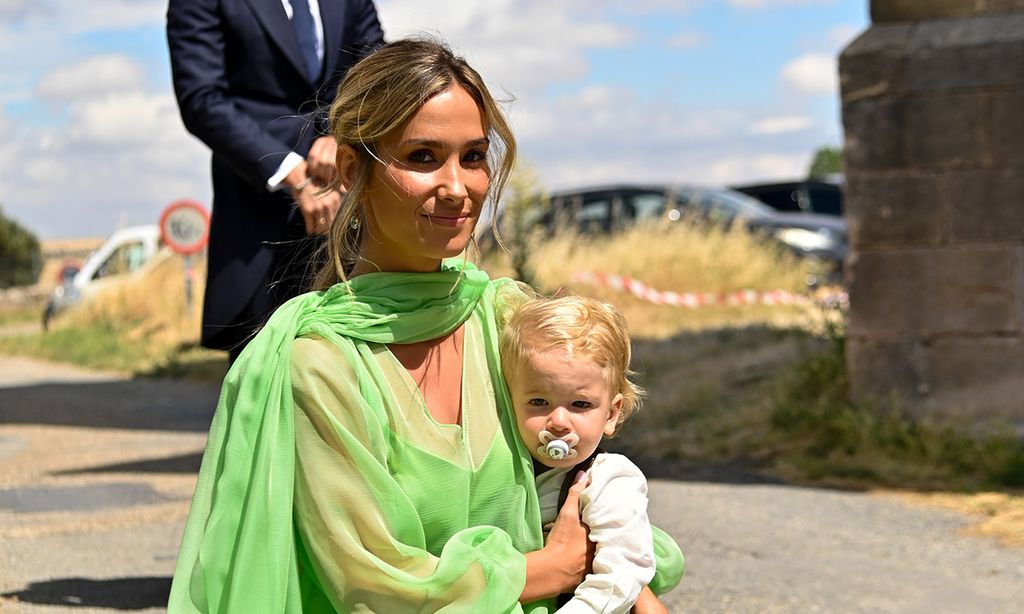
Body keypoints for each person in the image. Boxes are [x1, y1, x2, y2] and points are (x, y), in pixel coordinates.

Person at [168, 38, 682, 613]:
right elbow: (375, 585)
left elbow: (583, 501)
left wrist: (626, 579)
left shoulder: (507, 319)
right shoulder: (322, 362)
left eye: (472, 156)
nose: (458, 187)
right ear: (351, 169)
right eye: (421, 157)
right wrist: (550, 568)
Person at [166, 0, 385, 359]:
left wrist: (340, 136)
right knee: (263, 394)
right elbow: (202, 100)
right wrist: (293, 174)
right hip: (257, 235)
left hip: (352, 227)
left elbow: (377, 73)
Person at [501, 294, 682, 612]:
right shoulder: (504, 464)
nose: (558, 421)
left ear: (611, 414)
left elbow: (621, 575)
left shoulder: (609, 479)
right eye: (539, 402)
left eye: (580, 405)